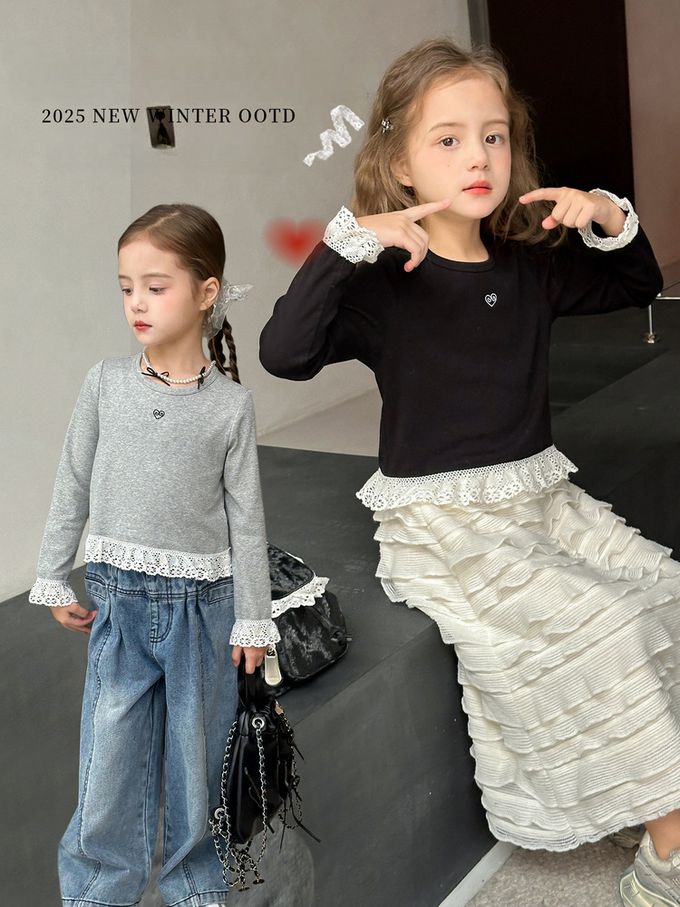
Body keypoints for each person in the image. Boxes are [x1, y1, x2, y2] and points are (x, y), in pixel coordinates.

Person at [258, 36, 680, 907]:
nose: (478, 157)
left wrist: (605, 213)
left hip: (542, 501)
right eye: (447, 140)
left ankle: (642, 794)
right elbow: (284, 353)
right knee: (599, 621)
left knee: (661, 588)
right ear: (400, 167)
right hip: (445, 528)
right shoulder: (384, 282)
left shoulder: (532, 265)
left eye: (493, 136)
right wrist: (347, 241)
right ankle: (669, 851)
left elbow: (634, 284)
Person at [28, 202, 280, 907]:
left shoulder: (230, 406)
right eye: (126, 287)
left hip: (204, 611)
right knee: (107, 764)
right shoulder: (105, 383)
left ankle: (195, 890)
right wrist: (52, 575)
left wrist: (253, 620)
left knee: (196, 768)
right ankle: (96, 893)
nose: (136, 302)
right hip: (118, 605)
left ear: (206, 292)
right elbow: (73, 480)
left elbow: (247, 522)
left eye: (155, 286)